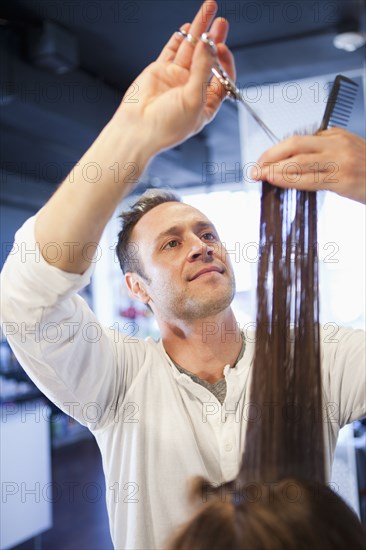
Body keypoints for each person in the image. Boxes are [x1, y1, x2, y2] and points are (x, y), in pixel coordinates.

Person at [0, 1, 365, 548]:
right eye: (171, 243)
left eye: (207, 233)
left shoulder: (315, 356)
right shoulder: (115, 380)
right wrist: (136, 131)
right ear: (137, 288)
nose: (199, 246)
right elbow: (27, 298)